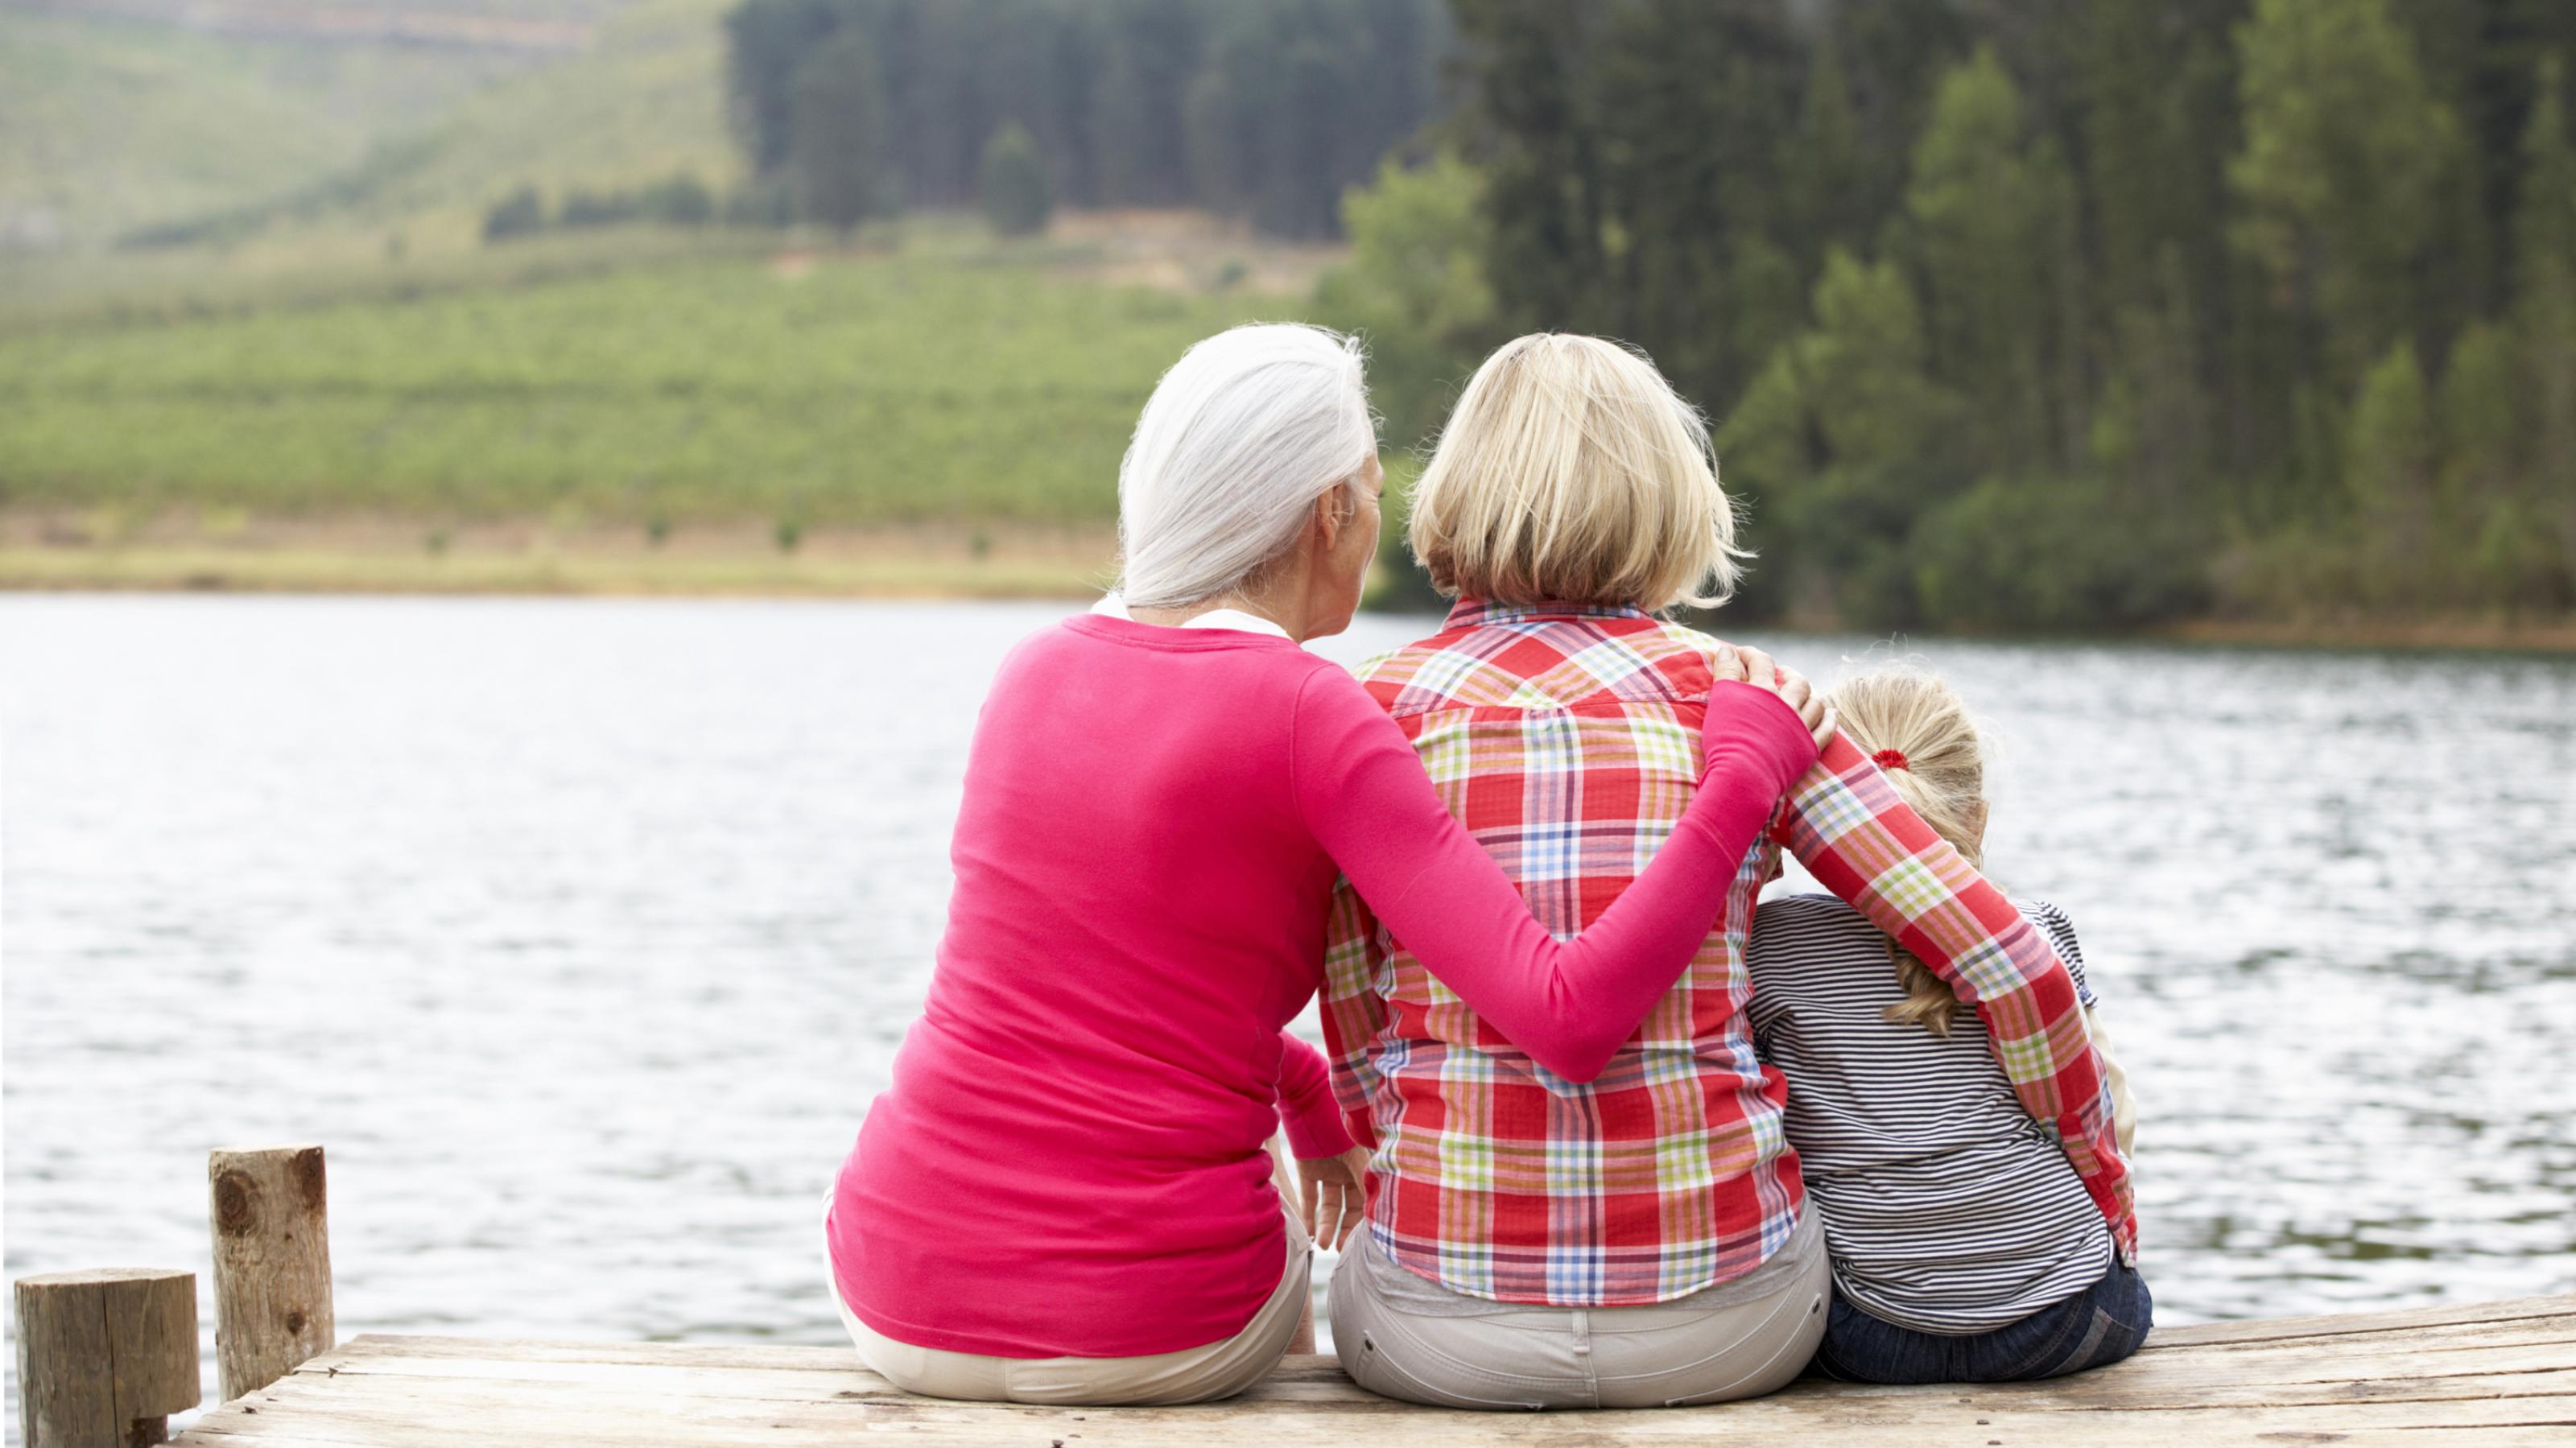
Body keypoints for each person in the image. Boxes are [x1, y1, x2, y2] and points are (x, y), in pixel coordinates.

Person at [824, 323, 1831, 1406]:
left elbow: (1111, 1003)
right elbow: (1567, 1014)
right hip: (1145, 1329)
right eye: (1371, 494)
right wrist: (1743, 775)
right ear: (1331, 513)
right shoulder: (1313, 712)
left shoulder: (1033, 671)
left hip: (888, 1286)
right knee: (1276, 1205)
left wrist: (1308, 1100)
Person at [1317, 332, 2132, 1410]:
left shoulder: (1363, 713)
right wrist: (2099, 1173)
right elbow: (2012, 967)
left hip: (1442, 1333)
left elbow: (1358, 1033)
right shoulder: (1747, 701)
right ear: (1669, 495)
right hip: (1730, 1323)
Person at [1747, 665, 2149, 1383]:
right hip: (2063, 1320)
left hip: (1872, 1331)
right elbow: (2111, 1119)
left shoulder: (1770, 947)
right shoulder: (2037, 934)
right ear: (1978, 818)